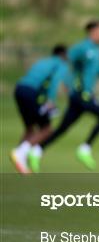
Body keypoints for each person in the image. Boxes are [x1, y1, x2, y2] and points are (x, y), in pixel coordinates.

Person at [28, 20, 99, 172]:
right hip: (81, 94)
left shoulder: (97, 49)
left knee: (63, 127)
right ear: (92, 31)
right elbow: (63, 63)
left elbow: (95, 69)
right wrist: (67, 83)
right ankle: (84, 149)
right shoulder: (82, 47)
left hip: (81, 96)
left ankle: (37, 150)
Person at [10, 44, 70, 174]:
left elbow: (37, 80)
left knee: (30, 128)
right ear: (63, 55)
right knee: (47, 129)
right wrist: (51, 101)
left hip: (19, 89)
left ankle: (20, 161)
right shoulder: (61, 64)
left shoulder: (43, 62)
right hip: (30, 93)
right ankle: (19, 152)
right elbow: (54, 82)